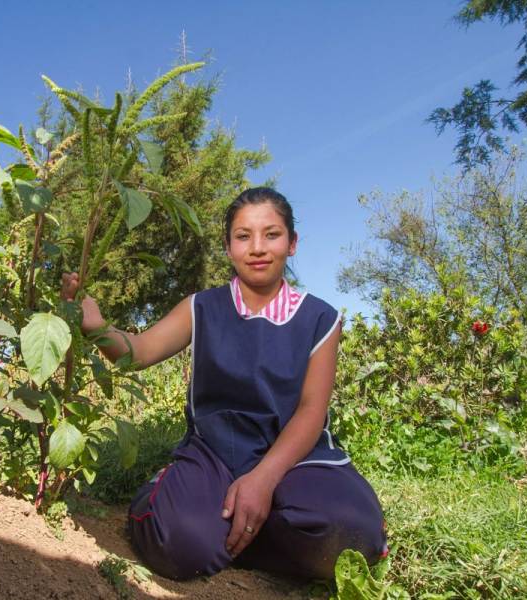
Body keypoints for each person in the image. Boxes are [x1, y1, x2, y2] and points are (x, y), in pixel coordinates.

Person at [61, 187, 387, 581]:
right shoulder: (201, 307)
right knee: (178, 543)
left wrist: (262, 481)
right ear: (228, 248)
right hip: (215, 454)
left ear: (292, 243)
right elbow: (139, 351)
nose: (258, 248)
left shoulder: (319, 318)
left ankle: (237, 533)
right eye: (243, 236)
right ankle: (172, 502)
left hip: (296, 458)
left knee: (352, 538)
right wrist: (95, 327)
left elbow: (311, 412)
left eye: (272, 234)